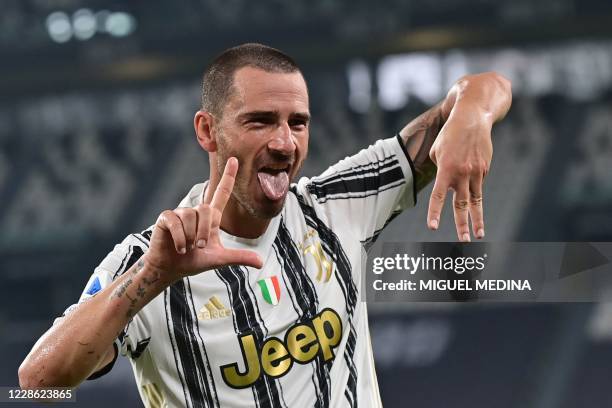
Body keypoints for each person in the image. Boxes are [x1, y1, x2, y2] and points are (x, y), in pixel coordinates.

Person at [19, 43, 511, 407]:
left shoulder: (337, 204)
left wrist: (473, 114)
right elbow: (38, 385)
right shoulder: (152, 257)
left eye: (298, 122)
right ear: (208, 131)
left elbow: (488, 86)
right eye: (260, 120)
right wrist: (152, 279)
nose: (285, 142)